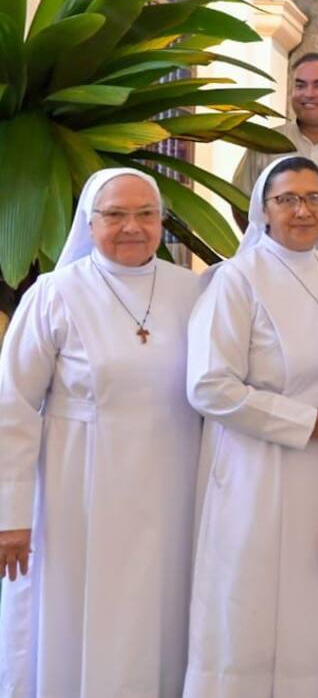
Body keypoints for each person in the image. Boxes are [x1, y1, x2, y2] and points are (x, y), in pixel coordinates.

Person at [0, 169, 201, 696]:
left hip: (173, 487)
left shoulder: (193, 290)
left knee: (159, 609)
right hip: (78, 490)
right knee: (79, 611)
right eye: (115, 215)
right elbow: (13, 406)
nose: (132, 226)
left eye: (146, 214)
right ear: (89, 224)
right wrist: (11, 517)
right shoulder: (54, 293)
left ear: (162, 221)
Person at [185, 156, 318, 697]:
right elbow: (208, 385)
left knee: (312, 606)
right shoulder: (236, 279)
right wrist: (309, 421)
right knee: (249, 599)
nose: (302, 211)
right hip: (255, 467)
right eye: (287, 199)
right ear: (262, 211)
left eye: (314, 198)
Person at [232, 51, 318, 230]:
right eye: (300, 86)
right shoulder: (267, 143)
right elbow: (240, 201)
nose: (309, 94)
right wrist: (265, 242)